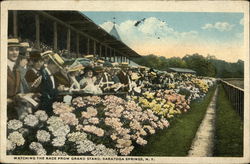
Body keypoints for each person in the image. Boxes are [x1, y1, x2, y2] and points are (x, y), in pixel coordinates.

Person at [7, 38, 22, 119]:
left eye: (17, 50)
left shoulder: (17, 69)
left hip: (14, 110)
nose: (15, 52)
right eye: (11, 50)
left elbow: (17, 91)